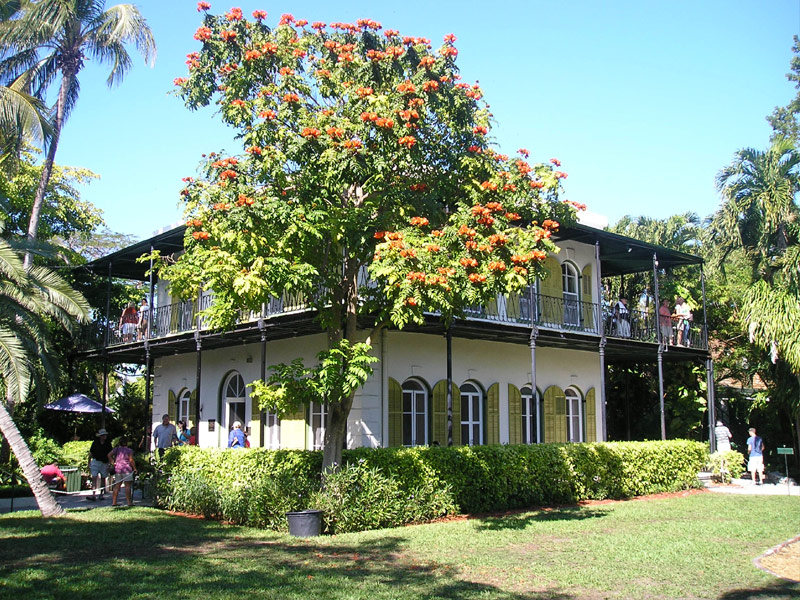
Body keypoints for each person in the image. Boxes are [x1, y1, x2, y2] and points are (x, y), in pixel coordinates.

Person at [108, 436, 137, 506]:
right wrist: (135, 468)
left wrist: (113, 462)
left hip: (118, 469)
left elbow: (109, 455)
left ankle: (114, 502)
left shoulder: (116, 449)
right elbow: (131, 460)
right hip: (127, 469)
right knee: (127, 486)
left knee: (117, 486)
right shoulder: (129, 450)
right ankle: (129, 502)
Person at [87, 428, 112, 501]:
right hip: (96, 461)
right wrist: (89, 462)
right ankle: (93, 494)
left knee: (103, 478)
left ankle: (101, 494)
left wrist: (110, 464)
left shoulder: (108, 443)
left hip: (104, 462)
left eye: (105, 435)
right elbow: (91, 453)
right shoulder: (95, 443)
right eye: (103, 435)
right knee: (94, 477)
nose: (105, 436)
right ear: (100, 436)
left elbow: (110, 454)